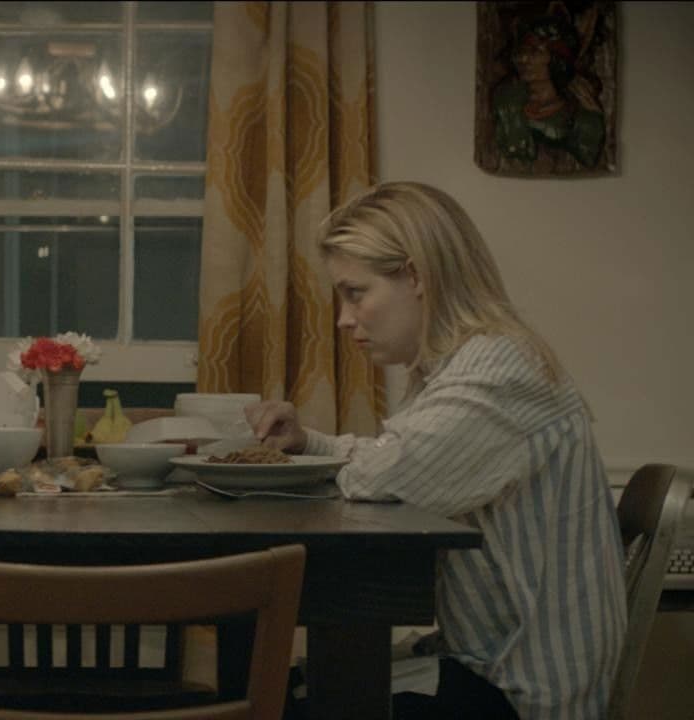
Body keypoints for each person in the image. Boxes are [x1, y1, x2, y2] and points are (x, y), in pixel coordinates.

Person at [248, 182, 625, 720]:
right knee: (286, 690)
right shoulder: (468, 362)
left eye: (356, 293)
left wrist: (324, 457)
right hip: (492, 667)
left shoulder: (498, 370)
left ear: (417, 276)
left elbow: (387, 476)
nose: (344, 319)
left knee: (277, 700)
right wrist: (308, 443)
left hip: (521, 693)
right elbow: (399, 458)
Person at [492, 13, 605, 169]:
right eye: (521, 51)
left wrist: (591, 120)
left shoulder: (574, 113)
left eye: (535, 51)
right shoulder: (507, 100)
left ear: (557, 59)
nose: (523, 59)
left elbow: (586, 157)